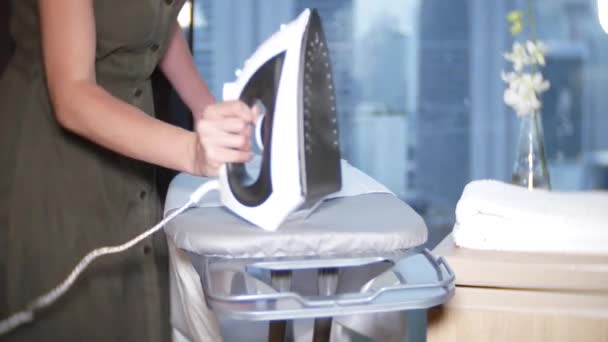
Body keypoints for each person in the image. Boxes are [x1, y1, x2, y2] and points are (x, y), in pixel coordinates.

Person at [0, 0, 256, 340]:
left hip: (134, 144)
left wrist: (204, 107)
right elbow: (72, 94)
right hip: (53, 161)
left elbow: (154, 19)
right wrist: (192, 152)